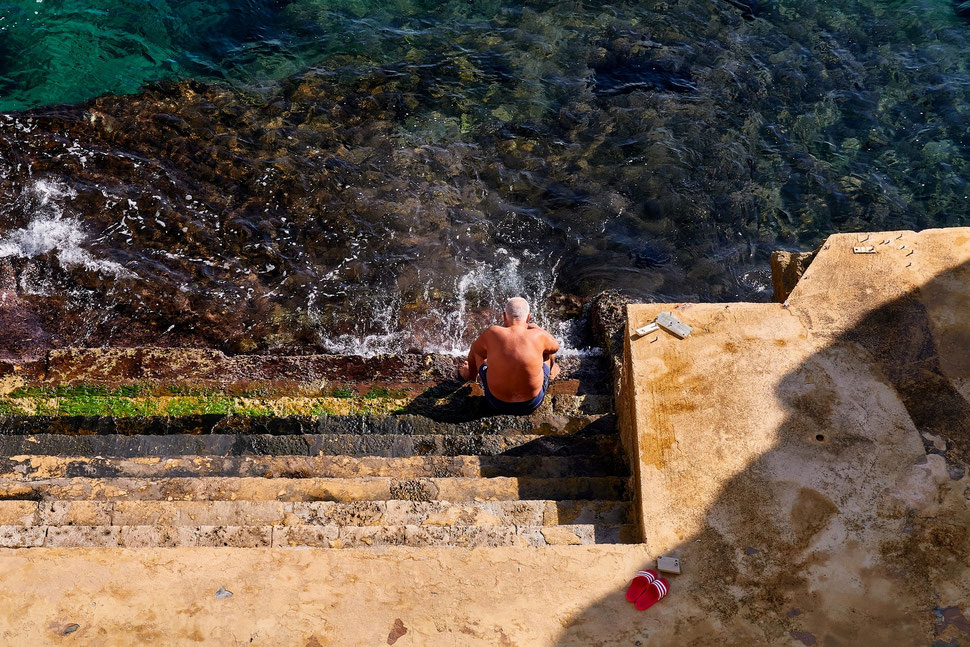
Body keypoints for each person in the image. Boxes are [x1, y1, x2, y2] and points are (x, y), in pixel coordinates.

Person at [459, 297, 561, 414]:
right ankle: (551, 373)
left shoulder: (493, 332)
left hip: (496, 402)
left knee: (477, 351)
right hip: (531, 403)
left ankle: (470, 376)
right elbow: (555, 346)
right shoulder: (538, 335)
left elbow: (475, 350)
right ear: (528, 317)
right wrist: (537, 328)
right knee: (547, 351)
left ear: (504, 316)